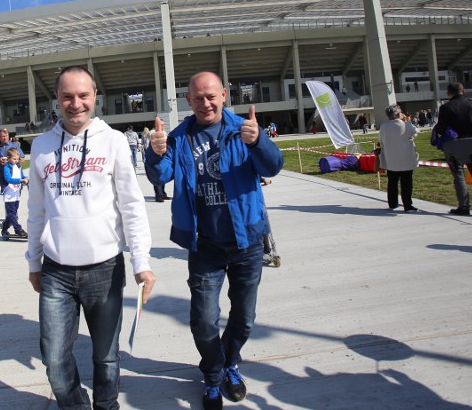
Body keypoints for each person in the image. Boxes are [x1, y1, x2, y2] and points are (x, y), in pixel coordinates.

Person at [145, 71, 284, 410]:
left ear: (223, 95)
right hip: (205, 245)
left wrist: (258, 142)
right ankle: (212, 376)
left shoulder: (243, 130)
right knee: (204, 320)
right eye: (197, 98)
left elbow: (274, 166)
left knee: (244, 317)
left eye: (211, 96)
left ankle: (230, 365)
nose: (205, 103)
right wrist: (155, 152)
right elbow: (160, 175)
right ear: (188, 101)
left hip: (247, 241)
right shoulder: (180, 138)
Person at [26, 66, 156, 410]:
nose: (75, 103)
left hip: (105, 269)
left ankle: (107, 406)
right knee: (54, 361)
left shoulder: (112, 141)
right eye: (67, 96)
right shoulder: (41, 147)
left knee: (107, 359)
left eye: (83, 95)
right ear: (57, 98)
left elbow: (132, 204)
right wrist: (33, 261)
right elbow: (36, 210)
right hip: (56, 271)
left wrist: (141, 261)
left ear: (95, 96)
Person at [434, 82, 472, 217]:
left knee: (458, 176)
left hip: (454, 144)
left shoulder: (446, 107)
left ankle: (464, 206)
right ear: (463, 91)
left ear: (449, 93)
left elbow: (441, 128)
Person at [378, 105, 419, 212]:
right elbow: (415, 132)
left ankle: (392, 203)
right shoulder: (404, 124)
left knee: (392, 181)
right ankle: (407, 204)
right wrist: (406, 121)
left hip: (391, 158)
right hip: (405, 158)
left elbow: (380, 140)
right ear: (398, 114)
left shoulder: (384, 126)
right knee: (406, 182)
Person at [0, 148, 28, 240]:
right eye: (14, 159)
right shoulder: (6, 168)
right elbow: (8, 179)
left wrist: (26, 178)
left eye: (17, 159)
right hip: (9, 193)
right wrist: (20, 180)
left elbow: (22, 176)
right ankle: (18, 229)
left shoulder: (18, 167)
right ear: (8, 158)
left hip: (16, 193)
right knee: (11, 213)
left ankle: (4, 227)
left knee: (13, 213)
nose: (16, 160)